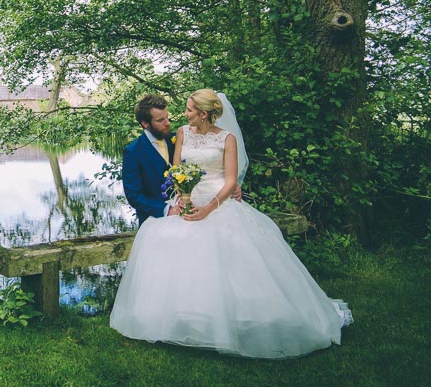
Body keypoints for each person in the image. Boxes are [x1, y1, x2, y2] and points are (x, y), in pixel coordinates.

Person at [110, 89, 352, 359]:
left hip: (217, 203)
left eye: (186, 110)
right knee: (173, 245)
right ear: (147, 124)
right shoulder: (155, 143)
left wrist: (223, 194)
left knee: (233, 251)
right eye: (161, 119)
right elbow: (153, 186)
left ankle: (241, 315)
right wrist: (179, 202)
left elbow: (227, 177)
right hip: (178, 206)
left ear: (203, 113)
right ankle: (184, 318)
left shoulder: (217, 137)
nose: (174, 118)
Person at [121, 94, 180, 225]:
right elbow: (134, 195)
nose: (167, 123)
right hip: (154, 221)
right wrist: (166, 210)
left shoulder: (177, 140)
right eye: (160, 120)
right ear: (145, 124)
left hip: (185, 216)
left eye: (167, 117)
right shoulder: (133, 152)